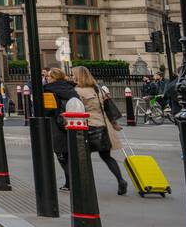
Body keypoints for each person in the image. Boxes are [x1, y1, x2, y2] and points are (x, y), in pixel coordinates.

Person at [72, 66, 126, 195]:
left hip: (88, 126)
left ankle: (86, 185)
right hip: (103, 126)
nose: (72, 77)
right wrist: (114, 123)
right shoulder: (98, 89)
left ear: (78, 76)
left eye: (74, 75)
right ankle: (121, 180)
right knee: (107, 156)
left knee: (84, 157)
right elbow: (107, 108)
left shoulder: (77, 91)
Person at [43, 67, 80, 189]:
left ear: (54, 78)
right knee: (70, 154)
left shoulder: (49, 90)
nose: (46, 78)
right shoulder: (70, 87)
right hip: (73, 124)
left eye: (48, 76)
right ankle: (70, 182)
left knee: (61, 155)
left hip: (57, 125)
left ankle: (73, 182)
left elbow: (49, 110)